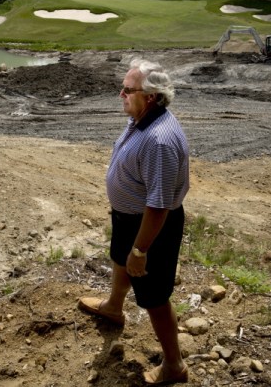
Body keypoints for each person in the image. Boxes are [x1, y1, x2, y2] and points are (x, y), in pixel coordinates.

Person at [78, 58, 190, 385]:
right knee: (119, 259)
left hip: (152, 228)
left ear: (151, 96)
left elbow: (158, 206)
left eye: (128, 90)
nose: (121, 94)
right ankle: (114, 307)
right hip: (130, 218)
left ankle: (175, 365)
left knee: (154, 297)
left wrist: (140, 250)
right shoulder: (141, 119)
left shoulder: (159, 140)